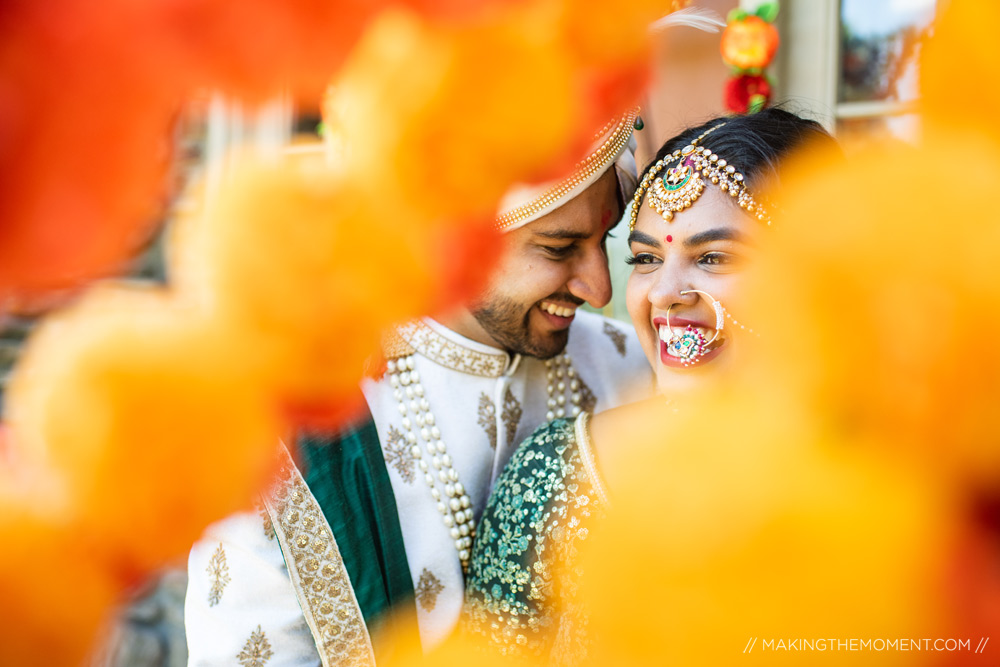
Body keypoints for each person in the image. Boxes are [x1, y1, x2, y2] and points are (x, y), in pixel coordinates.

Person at [184, 110, 654, 665]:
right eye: (557, 248)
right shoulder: (293, 421)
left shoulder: (632, 367)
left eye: (608, 239)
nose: (599, 288)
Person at [463, 108, 839, 661]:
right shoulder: (557, 477)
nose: (662, 293)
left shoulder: (904, 484)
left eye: (712, 257)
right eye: (646, 258)